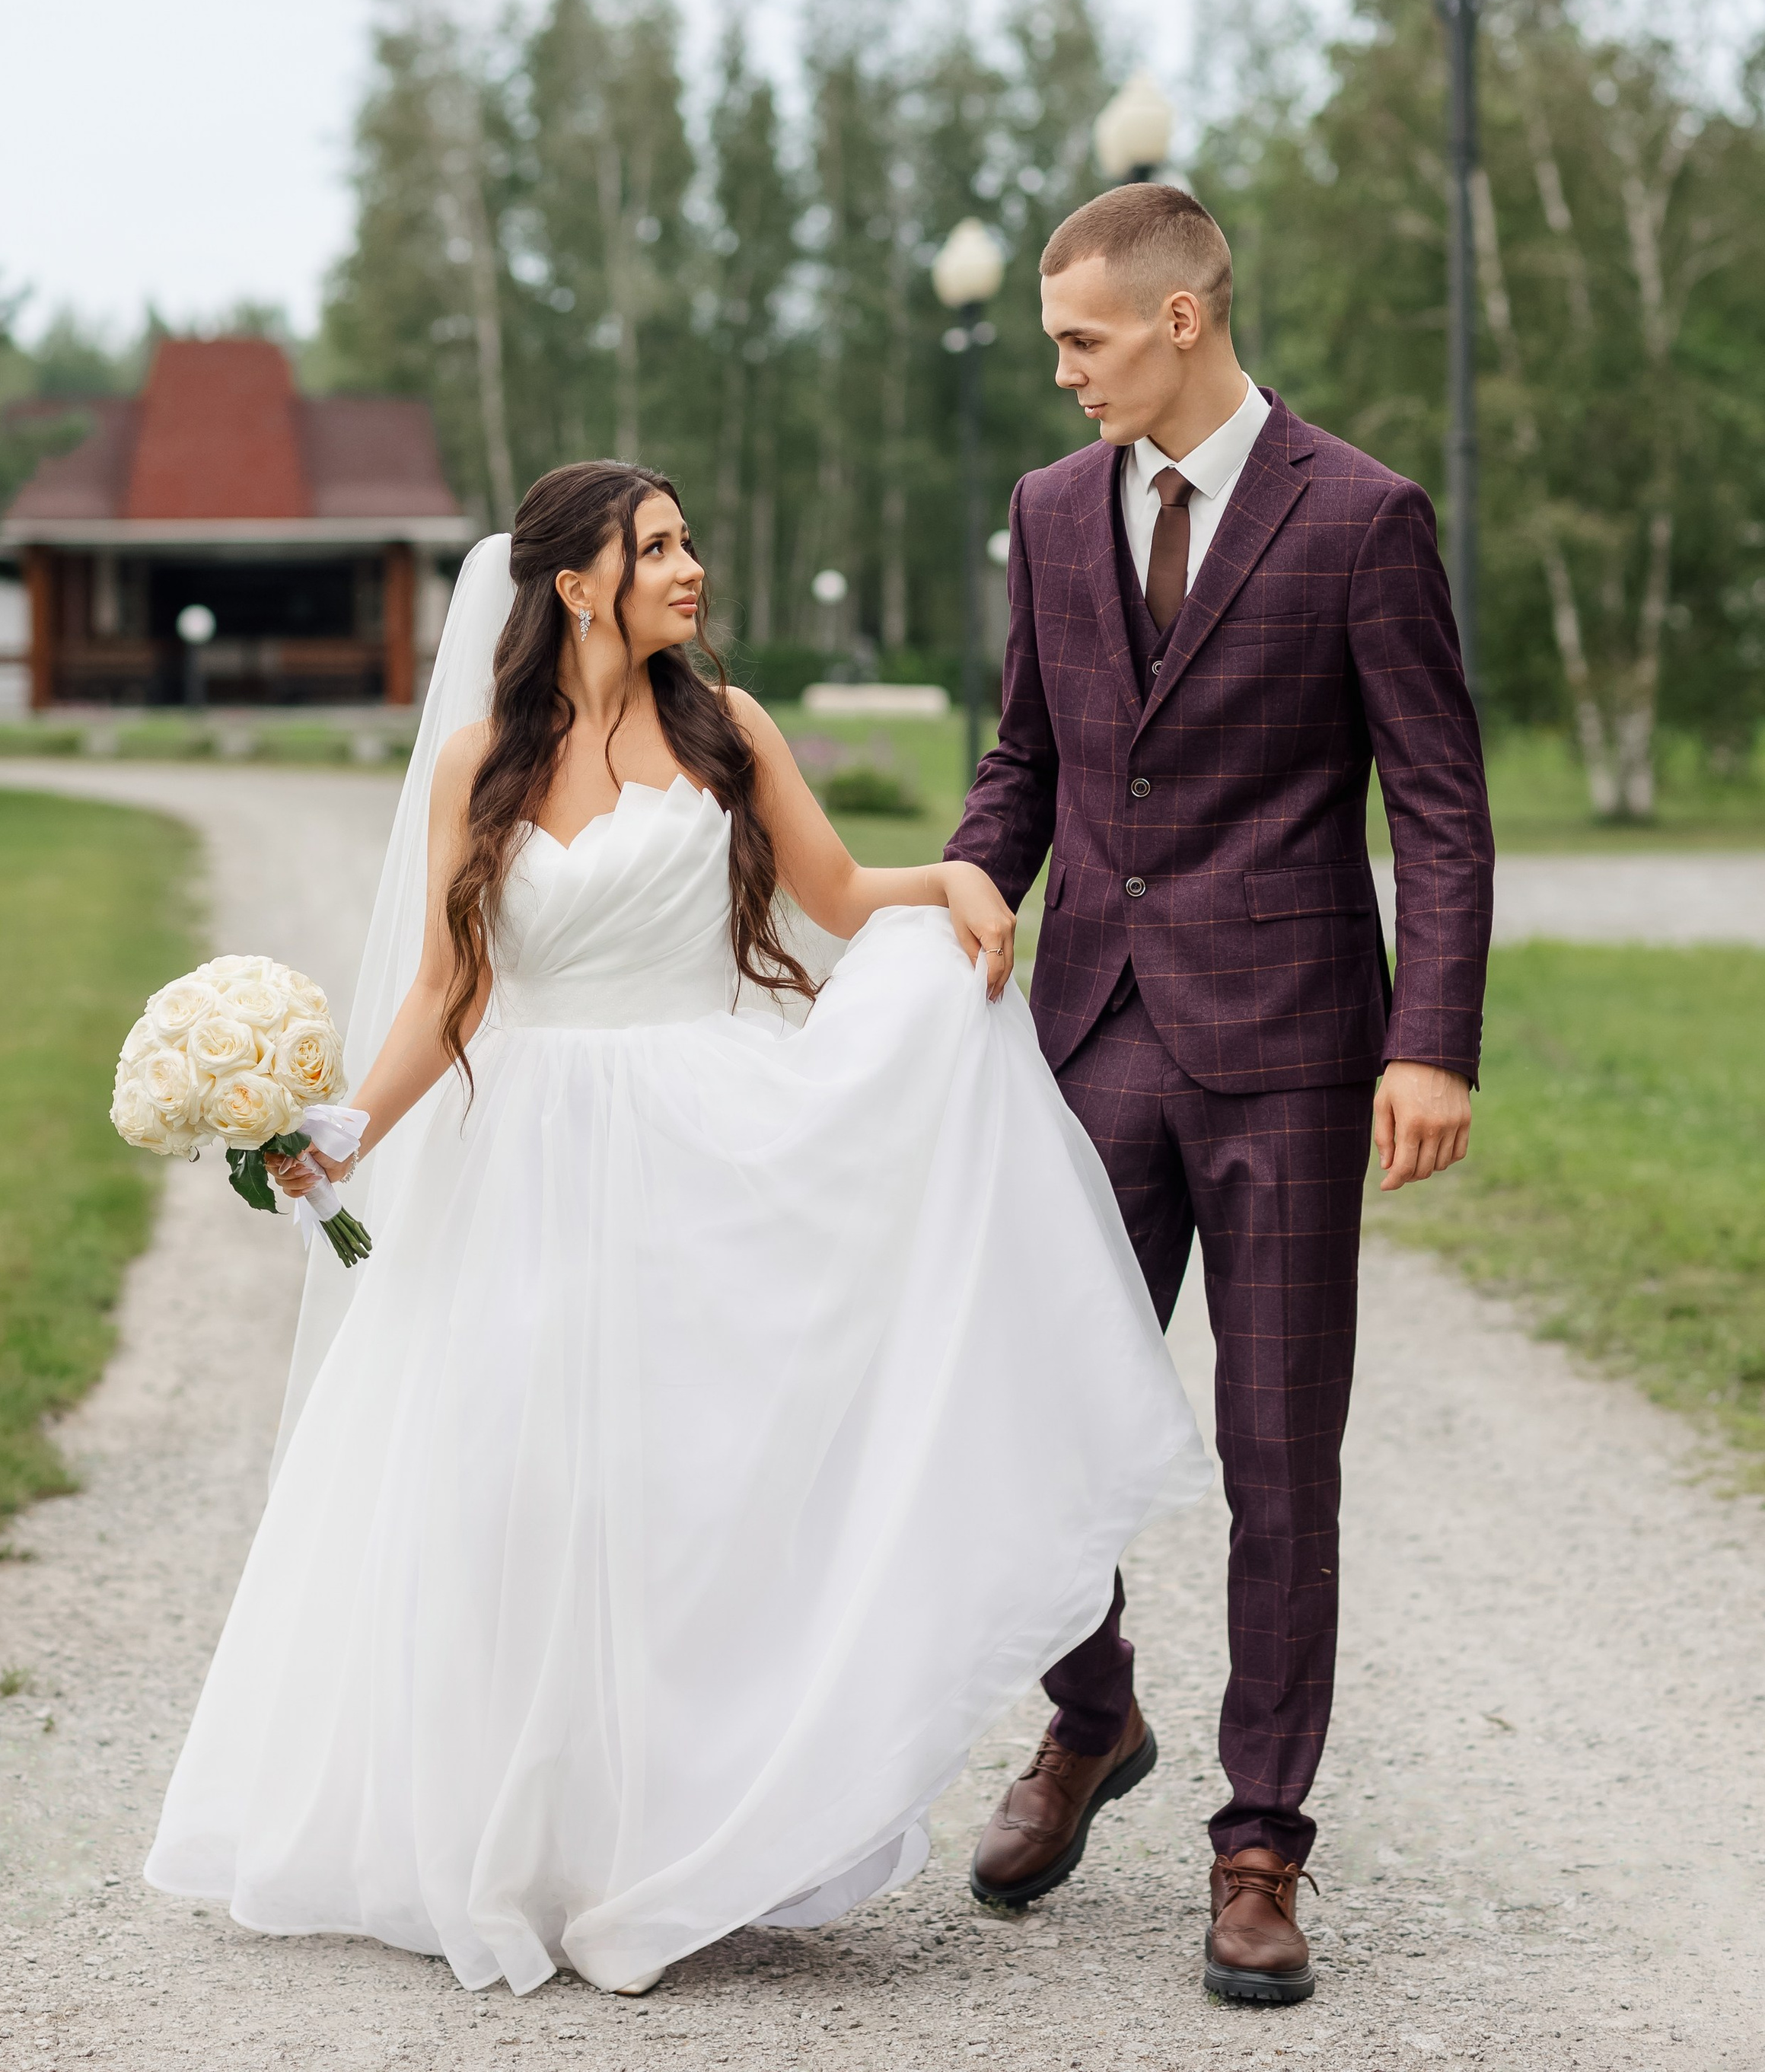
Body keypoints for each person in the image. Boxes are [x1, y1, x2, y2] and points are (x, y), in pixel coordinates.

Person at [145, 458, 1208, 2000]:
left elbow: (840, 896)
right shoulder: (479, 766)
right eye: (656, 548)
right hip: (526, 1155)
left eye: (688, 540)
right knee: (518, 1485)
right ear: (575, 583)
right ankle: (525, 1841)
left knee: (684, 1484)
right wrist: (346, 1134)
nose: (689, 566)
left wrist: (959, 887)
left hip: (702, 1132)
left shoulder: (726, 729)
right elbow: (450, 992)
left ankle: (686, 1837)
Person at [948, 183, 1493, 2009]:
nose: (1062, 375)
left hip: (1289, 1048)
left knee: (1277, 1461)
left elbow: (1435, 800)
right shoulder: (1046, 511)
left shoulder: (1357, 517)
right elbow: (1022, 755)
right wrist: (957, 898)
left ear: (1182, 318)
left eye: (1082, 341)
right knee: (1040, 1425)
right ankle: (1089, 1719)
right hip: (1092, 1032)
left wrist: (1432, 1040)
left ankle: (1259, 1842)